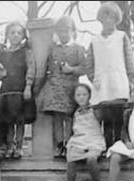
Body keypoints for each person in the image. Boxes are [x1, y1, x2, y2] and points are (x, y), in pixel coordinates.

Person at [85, 2, 134, 150]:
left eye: (112, 18)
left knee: (119, 116)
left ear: (116, 19)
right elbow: (89, 62)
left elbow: (129, 59)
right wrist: (93, 77)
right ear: (100, 19)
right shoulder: (95, 40)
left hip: (118, 82)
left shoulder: (121, 37)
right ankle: (108, 146)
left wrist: (131, 79)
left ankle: (119, 147)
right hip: (102, 85)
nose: (108, 21)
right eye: (105, 17)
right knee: (106, 118)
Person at [35, 15, 86, 158]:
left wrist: (72, 69)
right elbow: (46, 66)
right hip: (54, 88)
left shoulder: (78, 48)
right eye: (61, 31)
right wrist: (40, 86)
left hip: (70, 88)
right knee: (57, 117)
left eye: (67, 31)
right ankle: (59, 145)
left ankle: (69, 144)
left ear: (73, 31)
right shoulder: (52, 48)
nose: (64, 34)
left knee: (69, 117)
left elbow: (85, 68)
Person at [0, 20, 36, 159]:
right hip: (7, 90)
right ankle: (9, 146)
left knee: (20, 120)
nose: (15, 35)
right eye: (12, 33)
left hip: (20, 89)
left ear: (23, 35)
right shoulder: (3, 53)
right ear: (7, 35)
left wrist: (28, 86)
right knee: (8, 120)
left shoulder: (25, 51)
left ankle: (19, 147)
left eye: (19, 33)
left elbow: (31, 68)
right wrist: (1, 73)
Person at [66, 83, 106, 181]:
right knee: (71, 158)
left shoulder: (95, 110)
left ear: (89, 96)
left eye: (84, 94)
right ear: (74, 97)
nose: (81, 97)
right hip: (79, 139)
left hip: (94, 139)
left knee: (91, 159)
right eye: (78, 95)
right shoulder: (75, 112)